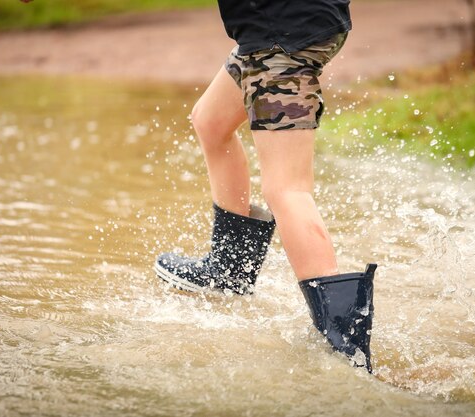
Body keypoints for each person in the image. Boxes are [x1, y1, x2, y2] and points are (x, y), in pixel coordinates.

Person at [154, 0, 377, 372]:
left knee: (287, 189)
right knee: (210, 121)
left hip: (281, 38)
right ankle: (230, 270)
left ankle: (345, 344)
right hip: (273, 32)